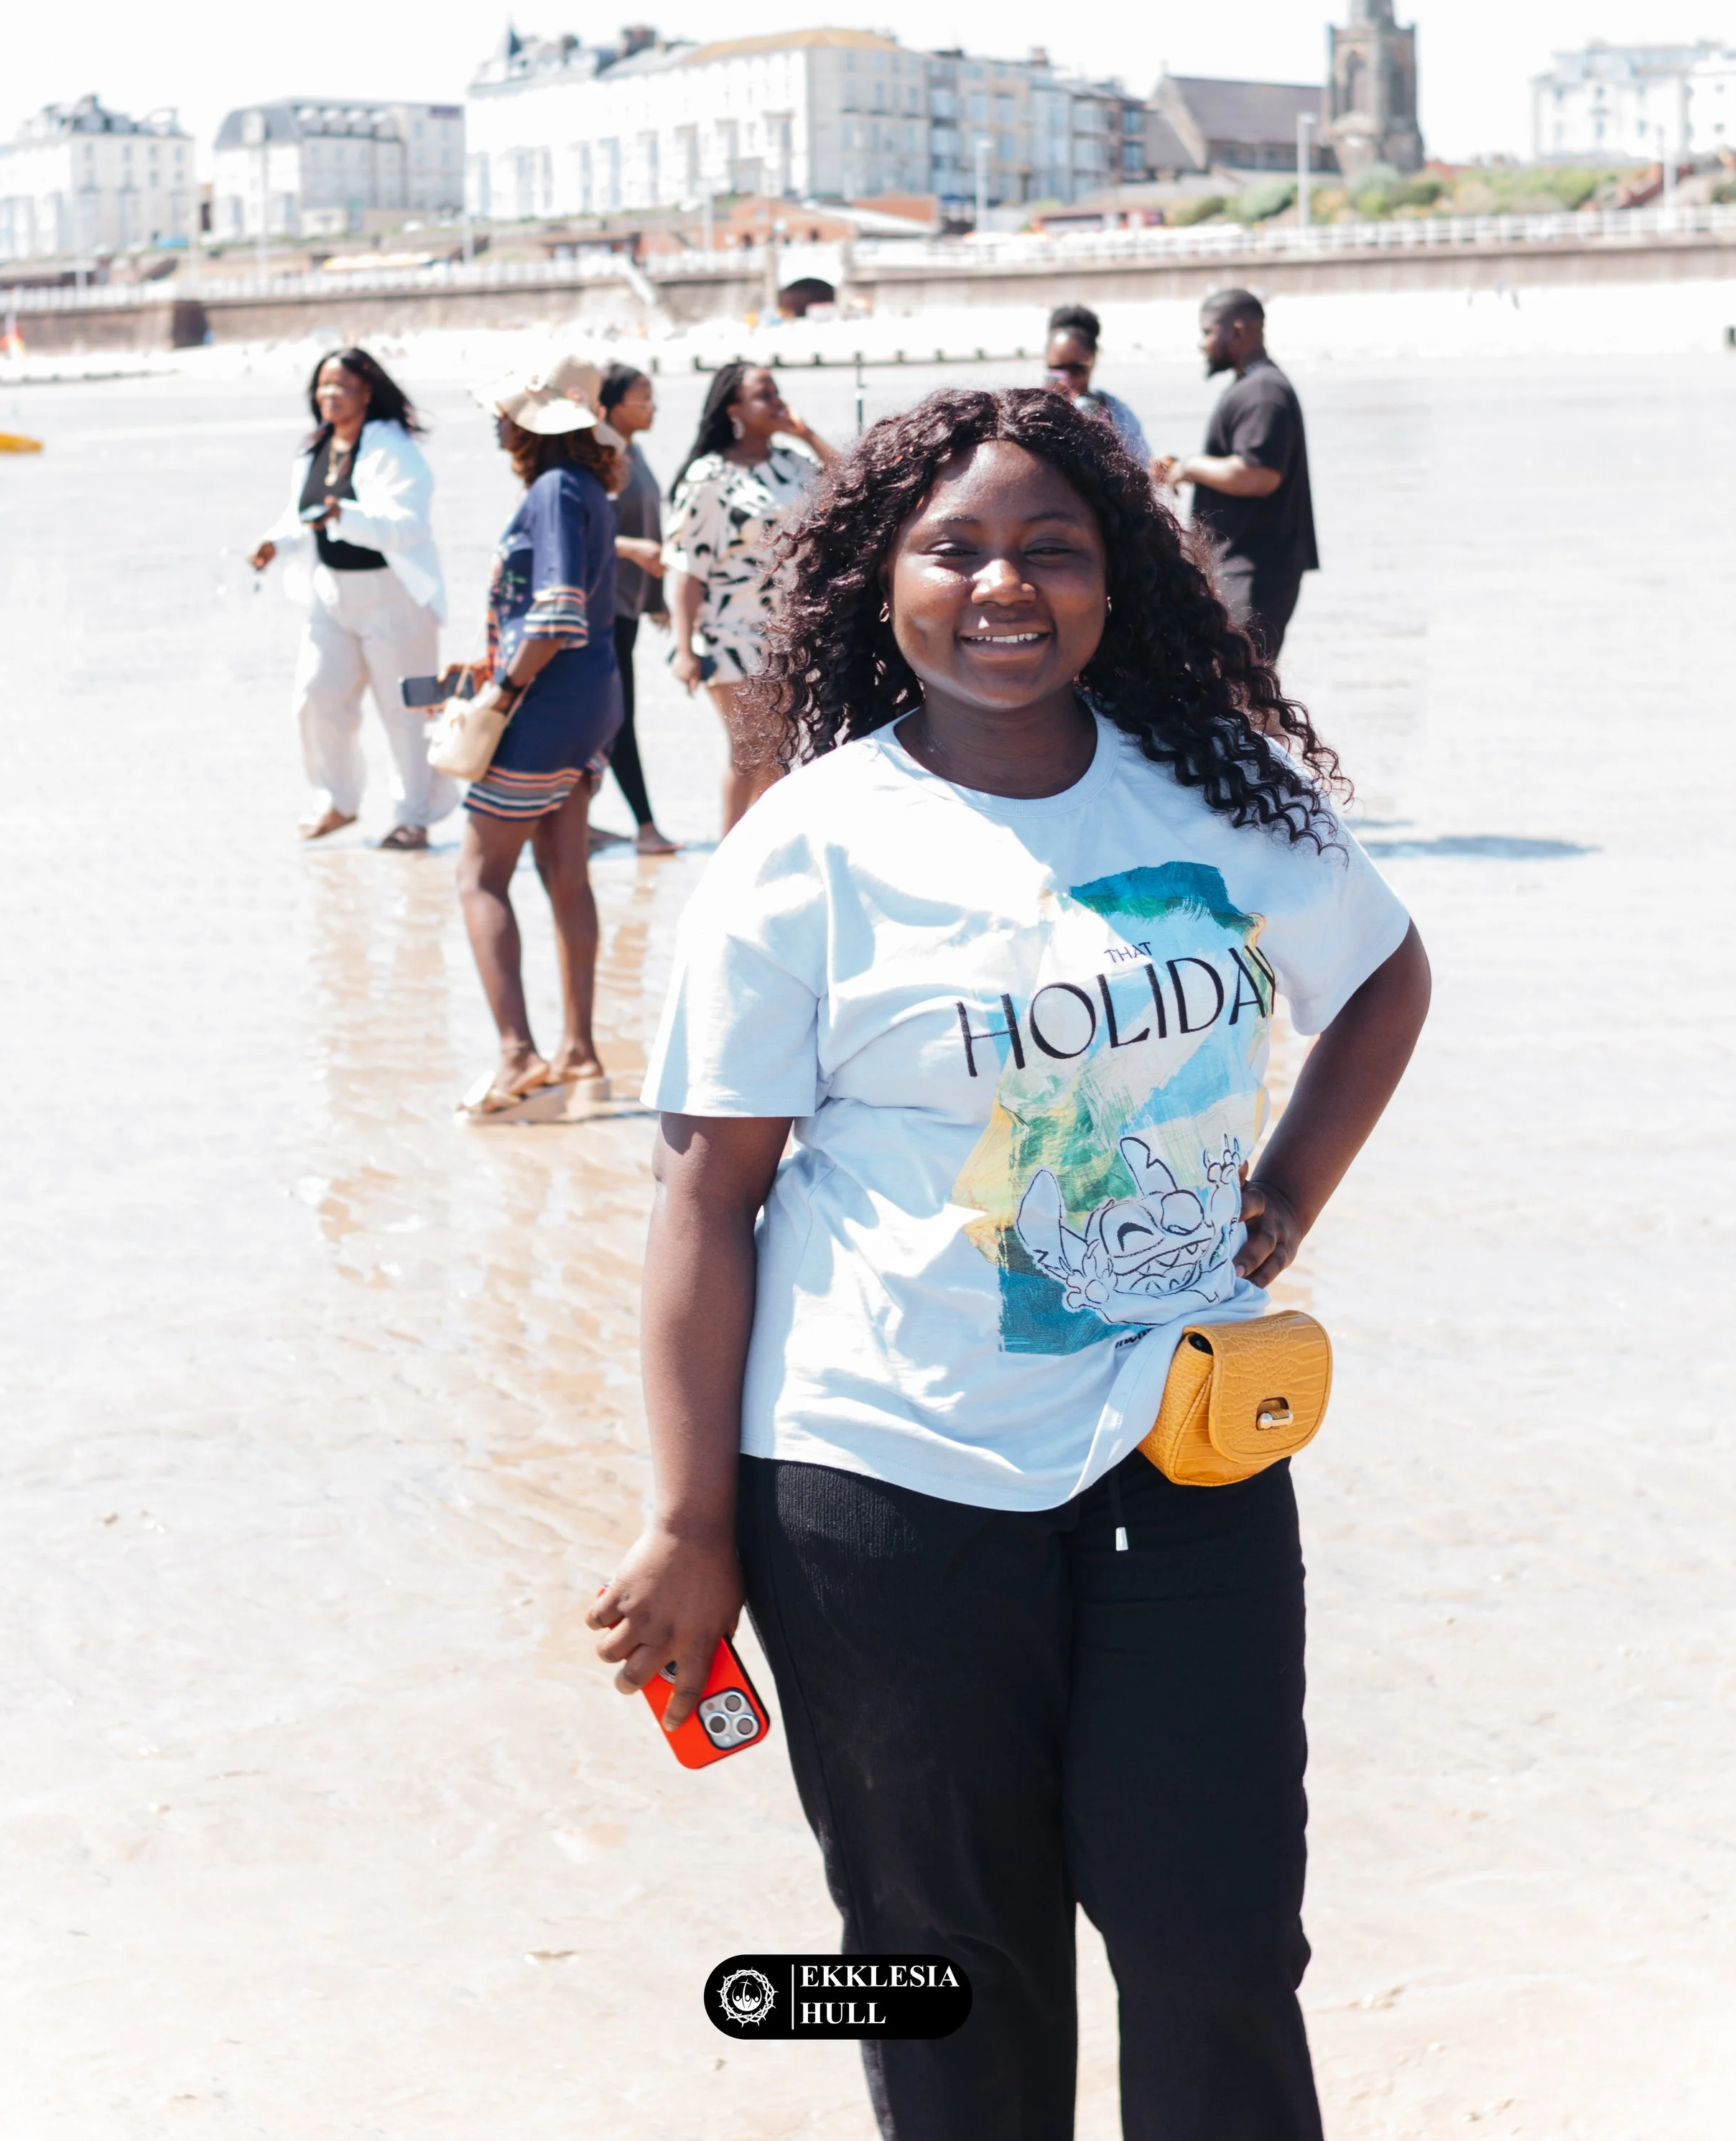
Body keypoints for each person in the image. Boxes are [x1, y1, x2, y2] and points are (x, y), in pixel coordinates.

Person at [590, 386, 1430, 2141]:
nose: (1002, 585)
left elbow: (1380, 977)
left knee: (1217, 1943)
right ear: (881, 581)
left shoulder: (1216, 792)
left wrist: (1282, 1199)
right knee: (943, 1968)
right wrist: (688, 1524)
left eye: (1052, 548)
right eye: (953, 548)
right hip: (880, 1482)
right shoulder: (804, 848)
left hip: (1185, 1455)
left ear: (1116, 578)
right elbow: (704, 1200)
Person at [452, 358, 624, 1122]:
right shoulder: (588, 488)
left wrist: (502, 691)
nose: (496, 425)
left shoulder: (553, 489)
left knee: (479, 877)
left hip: (545, 706)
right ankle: (579, 1051)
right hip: (591, 701)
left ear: (531, 424)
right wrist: (494, 666)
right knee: (565, 873)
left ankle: (518, 1056)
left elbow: (555, 614)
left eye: (504, 413)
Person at [249, 343, 454, 850]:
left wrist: (346, 515)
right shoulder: (315, 448)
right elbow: (302, 515)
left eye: (343, 386)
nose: (331, 395)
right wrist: (275, 543)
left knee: (406, 713)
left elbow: (408, 525)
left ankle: (414, 818)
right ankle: (337, 801)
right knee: (316, 696)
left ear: (368, 392)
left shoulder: (394, 449)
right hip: (331, 596)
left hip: (395, 598)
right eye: (324, 385)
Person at [662, 359, 837, 835]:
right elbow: (686, 567)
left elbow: (853, 487)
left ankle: (765, 852)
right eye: (764, 395)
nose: (777, 402)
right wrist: (683, 647)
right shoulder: (709, 476)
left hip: (789, 633)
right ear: (734, 408)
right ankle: (729, 856)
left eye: (778, 391)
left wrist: (807, 434)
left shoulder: (791, 464)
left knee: (781, 752)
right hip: (730, 633)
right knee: (750, 750)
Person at [1152, 287, 1318, 659]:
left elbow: (1258, 475)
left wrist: (1190, 467)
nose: (1202, 343)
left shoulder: (1263, 392)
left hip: (1253, 572)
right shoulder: (1254, 386)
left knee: (1241, 680)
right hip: (1242, 568)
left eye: (1208, 332)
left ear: (1238, 331)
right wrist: (1181, 468)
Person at [598, 361, 678, 855]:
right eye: (642, 399)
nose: (652, 408)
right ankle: (645, 828)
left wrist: (656, 598)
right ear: (609, 406)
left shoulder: (634, 451)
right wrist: (633, 551)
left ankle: (575, 822)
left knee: (607, 715)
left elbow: (649, 525)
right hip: (598, 607)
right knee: (616, 716)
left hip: (626, 605)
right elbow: (580, 532)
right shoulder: (598, 454)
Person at [1043, 302, 1150, 462]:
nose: (1067, 380)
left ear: (1093, 360)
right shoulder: (1031, 410)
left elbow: (1142, 463)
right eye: (1057, 369)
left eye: (1077, 369)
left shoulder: (1118, 414)